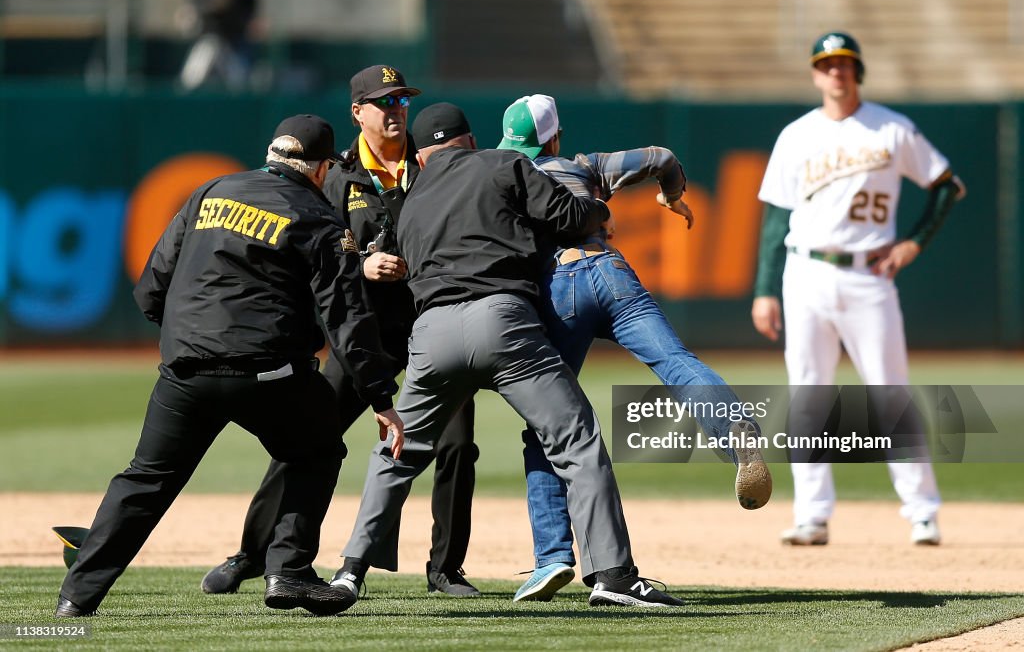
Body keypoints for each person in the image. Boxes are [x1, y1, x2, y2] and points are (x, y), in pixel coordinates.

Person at [333, 102, 684, 608]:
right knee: (575, 439)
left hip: (431, 334)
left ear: (421, 155)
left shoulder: (412, 199)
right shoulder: (503, 163)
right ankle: (613, 576)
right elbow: (567, 215)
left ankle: (349, 572)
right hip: (502, 322)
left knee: (396, 451)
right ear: (472, 142)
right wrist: (601, 210)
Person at [55, 115, 404, 618]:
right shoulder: (317, 216)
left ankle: (76, 597)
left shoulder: (210, 192)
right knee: (317, 450)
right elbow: (346, 317)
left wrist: (188, 337)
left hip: (186, 371)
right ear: (321, 168)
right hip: (269, 374)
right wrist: (380, 397)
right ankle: (289, 572)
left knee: (145, 480)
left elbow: (152, 286)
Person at [200, 65, 481, 599]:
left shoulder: (433, 162)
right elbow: (310, 255)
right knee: (307, 436)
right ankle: (252, 553)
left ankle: (446, 568)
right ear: (357, 112)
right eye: (384, 102)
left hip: (434, 323)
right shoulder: (335, 175)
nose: (396, 110)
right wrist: (361, 266)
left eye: (401, 101)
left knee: (457, 445)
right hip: (364, 331)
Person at [494, 94, 773, 602]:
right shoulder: (586, 167)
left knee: (547, 424)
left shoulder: (505, 174)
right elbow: (662, 157)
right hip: (612, 271)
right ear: (556, 138)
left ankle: (552, 557)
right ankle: (736, 434)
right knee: (677, 363)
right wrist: (671, 196)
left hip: (558, 288)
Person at [750, 32, 966, 547]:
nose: (836, 72)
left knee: (890, 391)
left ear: (858, 71)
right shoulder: (796, 135)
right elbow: (776, 218)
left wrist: (914, 243)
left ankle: (922, 511)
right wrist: (764, 289)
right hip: (805, 271)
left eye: (844, 63)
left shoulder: (892, 128)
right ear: (815, 74)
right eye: (827, 64)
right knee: (808, 392)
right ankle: (812, 515)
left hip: (869, 276)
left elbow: (947, 186)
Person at [178, 0, 258, 92]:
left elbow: (251, 14)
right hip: (209, 41)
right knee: (192, 77)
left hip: (235, 42)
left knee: (239, 83)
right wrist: (211, 2)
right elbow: (191, 12)